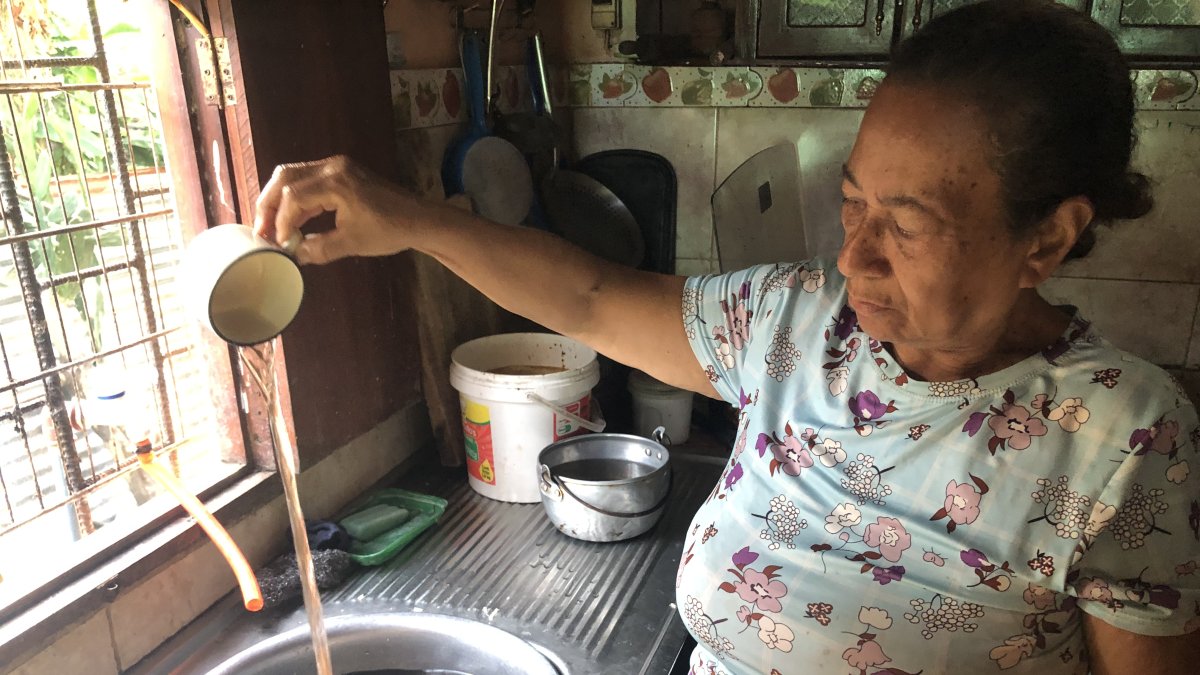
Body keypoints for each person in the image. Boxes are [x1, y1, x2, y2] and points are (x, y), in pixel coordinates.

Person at [253, 1, 1198, 672]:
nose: (854, 258)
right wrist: (412, 221)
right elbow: (587, 296)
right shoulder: (793, 323)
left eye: (904, 225)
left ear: (1048, 236)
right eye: (851, 202)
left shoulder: (1123, 435)